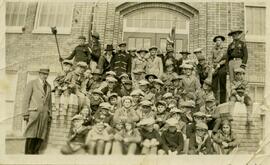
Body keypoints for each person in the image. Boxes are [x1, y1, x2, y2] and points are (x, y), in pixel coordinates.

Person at [22, 67, 52, 154]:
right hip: (33, 113)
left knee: (40, 135)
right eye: (43, 74)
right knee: (31, 134)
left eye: (46, 74)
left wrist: (49, 114)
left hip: (44, 115)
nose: (44, 76)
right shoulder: (32, 83)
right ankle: (28, 154)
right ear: (39, 74)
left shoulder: (49, 86)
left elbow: (49, 102)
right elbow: (26, 99)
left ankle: (35, 154)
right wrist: (25, 113)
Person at [210, 35, 227, 104]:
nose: (218, 42)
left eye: (219, 40)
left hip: (222, 67)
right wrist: (212, 66)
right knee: (214, 85)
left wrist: (219, 64)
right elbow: (211, 59)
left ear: (222, 41)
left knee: (222, 85)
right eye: (216, 40)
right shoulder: (213, 49)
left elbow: (226, 59)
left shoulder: (224, 50)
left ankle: (222, 102)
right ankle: (215, 101)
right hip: (214, 68)